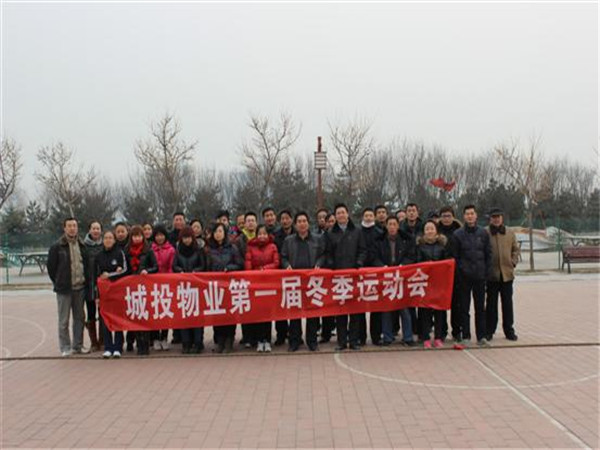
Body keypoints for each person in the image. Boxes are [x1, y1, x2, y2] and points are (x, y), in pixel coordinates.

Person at [317, 203, 367, 351]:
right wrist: (332, 265)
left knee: (355, 310)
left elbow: (363, 250)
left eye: (343, 212)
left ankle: (354, 341)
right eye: (338, 213)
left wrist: (359, 263)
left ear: (348, 214)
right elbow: (327, 253)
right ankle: (342, 342)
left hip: (354, 275)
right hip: (338, 277)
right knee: (340, 311)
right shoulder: (330, 233)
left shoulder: (357, 231)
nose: (341, 215)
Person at [47, 217, 90, 357]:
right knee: (63, 320)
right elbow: (51, 268)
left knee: (79, 318)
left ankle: (78, 345)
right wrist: (59, 281)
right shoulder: (57, 246)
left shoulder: (82, 245)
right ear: (64, 228)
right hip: (64, 290)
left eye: (74, 226)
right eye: (69, 226)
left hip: (80, 288)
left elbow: (86, 265)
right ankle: (65, 347)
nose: (72, 228)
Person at [281, 212, 322, 351]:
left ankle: (312, 340)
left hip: (312, 280)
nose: (302, 224)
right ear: (295, 224)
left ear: (308, 223)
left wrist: (319, 264)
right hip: (295, 281)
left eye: (304, 221)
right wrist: (286, 265)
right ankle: (295, 340)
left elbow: (323, 255)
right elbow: (283, 257)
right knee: (294, 312)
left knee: (312, 312)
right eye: (299, 221)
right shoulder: (289, 240)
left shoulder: (317, 239)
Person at [374, 216, 417, 346]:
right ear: (386, 226)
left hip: (402, 277)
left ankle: (408, 337)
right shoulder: (380, 240)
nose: (392, 227)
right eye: (390, 224)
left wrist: (403, 265)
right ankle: (387, 337)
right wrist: (382, 266)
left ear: (398, 226)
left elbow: (411, 255)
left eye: (394, 224)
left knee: (404, 309)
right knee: (386, 309)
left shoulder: (406, 239)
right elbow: (374, 257)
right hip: (385, 277)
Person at [453, 204, 492, 347]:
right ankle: (466, 336)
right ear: (463, 216)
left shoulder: (483, 233)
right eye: (467, 214)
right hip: (464, 278)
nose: (470, 216)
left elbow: (488, 254)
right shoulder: (457, 234)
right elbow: (455, 257)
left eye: (472, 213)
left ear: (476, 216)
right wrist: (460, 272)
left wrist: (486, 272)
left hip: (480, 277)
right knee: (464, 308)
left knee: (480, 308)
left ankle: (481, 337)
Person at [207, 223, 243, 353]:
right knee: (217, 314)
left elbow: (240, 264)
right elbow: (206, 267)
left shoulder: (232, 248)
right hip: (215, 287)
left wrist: (229, 268)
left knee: (230, 313)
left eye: (220, 231)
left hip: (229, 286)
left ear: (225, 233)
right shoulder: (209, 250)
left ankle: (229, 340)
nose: (218, 234)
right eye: (216, 231)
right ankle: (220, 341)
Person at [485, 208, 520, 341]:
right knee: (491, 305)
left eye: (498, 217)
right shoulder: (485, 233)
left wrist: (513, 262)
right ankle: (489, 330)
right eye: (494, 217)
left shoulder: (510, 233)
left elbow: (515, 249)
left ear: (502, 218)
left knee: (507, 304)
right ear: (490, 218)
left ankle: (509, 330)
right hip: (491, 275)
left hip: (507, 274)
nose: (496, 219)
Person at [244, 224, 280, 352]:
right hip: (255, 284)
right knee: (258, 313)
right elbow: (248, 264)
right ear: (256, 235)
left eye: (264, 234)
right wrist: (253, 274)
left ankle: (267, 340)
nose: (262, 236)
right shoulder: (250, 247)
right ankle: (260, 340)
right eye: (260, 234)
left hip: (269, 284)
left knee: (268, 313)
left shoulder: (273, 246)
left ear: (268, 235)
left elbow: (276, 263)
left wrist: (264, 269)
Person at [94, 230, 129, 358]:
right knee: (105, 320)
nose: (108, 240)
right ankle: (108, 347)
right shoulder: (99, 256)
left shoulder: (120, 253)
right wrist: (97, 296)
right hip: (104, 294)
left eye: (110, 238)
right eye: (106, 238)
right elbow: (96, 276)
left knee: (117, 319)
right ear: (103, 240)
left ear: (114, 240)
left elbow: (125, 270)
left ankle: (118, 347)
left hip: (117, 293)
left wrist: (110, 275)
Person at [416, 220, 452, 348]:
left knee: (439, 311)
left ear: (436, 231)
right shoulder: (419, 246)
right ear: (424, 232)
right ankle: (425, 337)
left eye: (432, 228)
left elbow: (447, 261)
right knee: (424, 311)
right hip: (425, 283)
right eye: (427, 229)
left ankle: (438, 337)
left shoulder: (443, 245)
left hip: (439, 283)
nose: (429, 231)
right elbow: (417, 262)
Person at [173, 226, 208, 353]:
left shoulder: (198, 250)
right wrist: (180, 271)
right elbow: (174, 266)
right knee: (184, 316)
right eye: (184, 238)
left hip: (196, 287)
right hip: (183, 288)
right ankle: (186, 343)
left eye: (188, 237)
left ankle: (198, 342)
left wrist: (195, 271)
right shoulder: (178, 251)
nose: (187, 240)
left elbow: (203, 265)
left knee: (197, 316)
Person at [125, 225, 158, 355]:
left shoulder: (148, 250)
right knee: (134, 315)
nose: (137, 238)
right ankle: (134, 342)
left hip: (145, 287)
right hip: (131, 287)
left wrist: (147, 271)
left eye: (139, 236)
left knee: (145, 315)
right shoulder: (127, 251)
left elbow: (155, 267)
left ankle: (145, 343)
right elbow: (125, 269)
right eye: (134, 236)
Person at [438, 206, 462, 341]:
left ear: (453, 217)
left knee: (456, 304)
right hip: (440, 274)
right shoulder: (435, 231)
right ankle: (442, 331)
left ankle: (457, 331)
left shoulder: (460, 232)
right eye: (444, 216)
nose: (446, 218)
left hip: (457, 273)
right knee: (440, 304)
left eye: (448, 216)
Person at [360, 207, 384, 346]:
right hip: (360, 273)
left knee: (377, 306)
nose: (368, 217)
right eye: (366, 215)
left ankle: (376, 336)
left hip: (377, 272)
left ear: (374, 217)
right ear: (363, 217)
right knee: (360, 306)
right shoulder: (357, 232)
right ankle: (361, 337)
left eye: (370, 215)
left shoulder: (380, 233)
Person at [151, 224, 176, 351]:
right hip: (153, 285)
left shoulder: (171, 249)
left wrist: (168, 279)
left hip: (166, 284)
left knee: (166, 311)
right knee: (155, 312)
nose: (159, 238)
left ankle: (164, 338)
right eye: (157, 235)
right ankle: (155, 338)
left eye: (161, 235)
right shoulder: (150, 250)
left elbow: (172, 266)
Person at [83, 220, 103, 352]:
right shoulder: (83, 246)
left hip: (102, 286)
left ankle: (103, 340)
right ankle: (94, 342)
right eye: (93, 228)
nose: (96, 231)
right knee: (91, 314)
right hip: (88, 285)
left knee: (103, 314)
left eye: (98, 228)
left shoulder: (105, 244)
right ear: (89, 230)